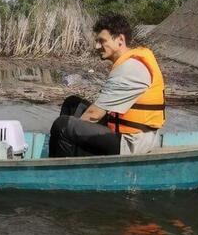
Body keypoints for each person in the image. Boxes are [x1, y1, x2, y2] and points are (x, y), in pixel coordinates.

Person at [49, 14, 166, 158]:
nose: (97, 46)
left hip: (133, 143)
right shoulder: (129, 62)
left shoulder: (130, 69)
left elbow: (93, 115)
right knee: (72, 103)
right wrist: (77, 129)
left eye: (102, 41)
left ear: (120, 40)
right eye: (97, 41)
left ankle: (63, 172)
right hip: (128, 132)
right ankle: (75, 152)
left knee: (61, 126)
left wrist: (70, 130)